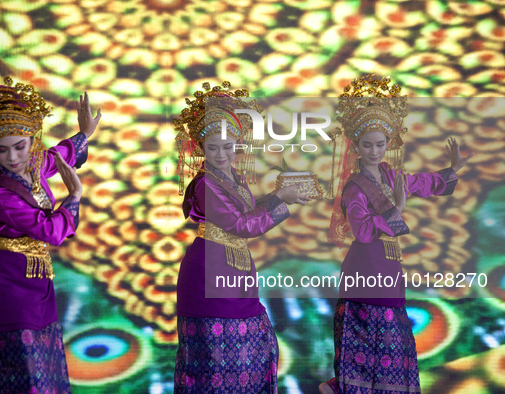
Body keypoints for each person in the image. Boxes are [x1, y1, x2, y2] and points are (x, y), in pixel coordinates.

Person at [319, 75, 473, 394]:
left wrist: (451, 172)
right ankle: (345, 387)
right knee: (369, 328)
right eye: (367, 144)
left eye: (380, 143)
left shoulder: (391, 175)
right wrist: (396, 208)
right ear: (355, 145)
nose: (375, 150)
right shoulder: (353, 186)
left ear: (389, 142)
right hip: (365, 265)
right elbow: (362, 231)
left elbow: (420, 183)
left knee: (392, 328)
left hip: (389, 264)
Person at [0, 76, 101, 392]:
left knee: (40, 358)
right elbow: (51, 231)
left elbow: (60, 155)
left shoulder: (33, 165)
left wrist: (85, 133)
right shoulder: (4, 195)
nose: (13, 157)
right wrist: (73, 196)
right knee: (22, 364)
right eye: (2, 150)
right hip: (6, 282)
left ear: (33, 142)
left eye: (20, 146)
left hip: (34, 280)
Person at [173, 82, 309, 393]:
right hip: (210, 269)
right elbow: (241, 225)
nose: (222, 154)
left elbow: (245, 216)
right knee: (219, 357)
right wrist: (279, 199)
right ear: (200, 148)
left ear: (238, 145)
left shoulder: (231, 179)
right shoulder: (206, 184)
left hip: (234, 268)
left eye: (228, 145)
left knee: (247, 352)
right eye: (213, 147)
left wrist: (278, 197)